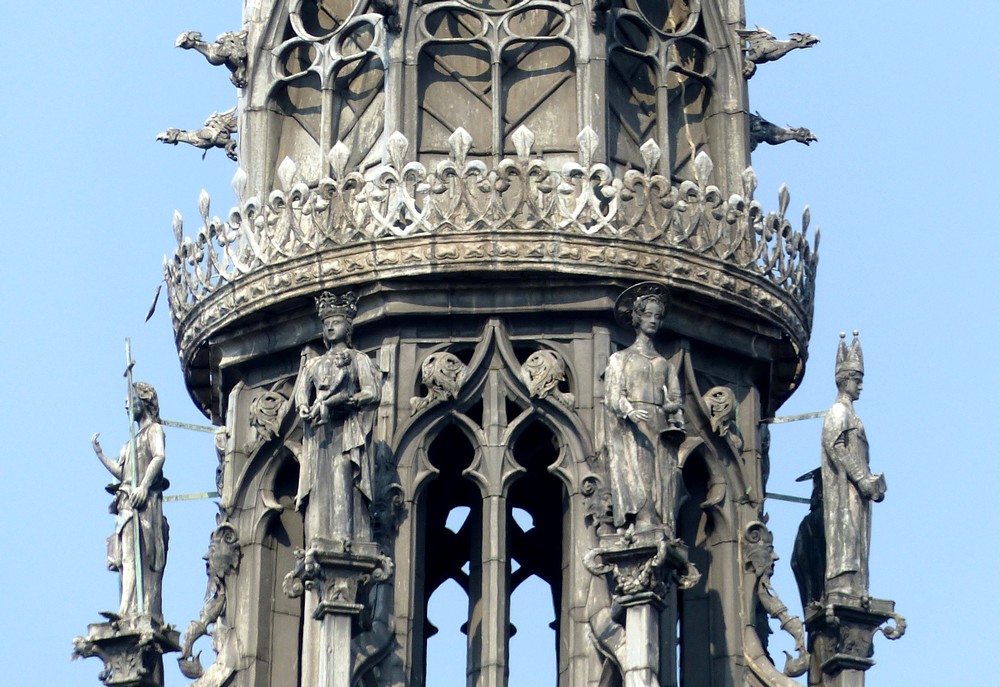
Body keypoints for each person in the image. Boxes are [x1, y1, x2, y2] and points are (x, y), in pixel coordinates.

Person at [294, 291, 381, 544]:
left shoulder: (358, 360)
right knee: (318, 484)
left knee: (343, 473)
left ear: (348, 327)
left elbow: (372, 392)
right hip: (318, 433)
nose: (331, 326)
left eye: (337, 322)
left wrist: (347, 401)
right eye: (327, 323)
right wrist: (303, 407)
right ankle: (317, 537)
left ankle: (345, 536)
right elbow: (302, 393)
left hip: (347, 431)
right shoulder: (313, 364)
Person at [604, 283, 684, 532]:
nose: (653, 321)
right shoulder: (620, 359)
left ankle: (658, 521)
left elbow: (675, 398)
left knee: (661, 479)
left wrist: (671, 409)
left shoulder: (664, 364)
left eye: (658, 317)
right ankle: (641, 520)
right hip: (633, 425)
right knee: (639, 474)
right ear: (637, 318)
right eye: (648, 315)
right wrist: (629, 411)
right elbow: (614, 395)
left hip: (659, 424)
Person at [91, 382, 169, 619]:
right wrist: (100, 454)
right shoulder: (130, 443)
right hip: (125, 505)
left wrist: (144, 486)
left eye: (130, 398)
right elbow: (122, 471)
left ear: (143, 401)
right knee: (125, 559)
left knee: (136, 556)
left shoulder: (154, 430)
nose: (126, 403)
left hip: (143, 506)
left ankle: (127, 610)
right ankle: (126, 608)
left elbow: (159, 457)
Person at [821, 331, 885, 597]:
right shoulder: (839, 412)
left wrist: (871, 482)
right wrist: (861, 479)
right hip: (845, 489)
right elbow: (835, 446)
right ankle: (844, 584)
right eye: (856, 380)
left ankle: (857, 586)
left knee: (856, 538)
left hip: (857, 491)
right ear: (844, 380)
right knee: (846, 536)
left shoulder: (851, 414)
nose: (860, 386)